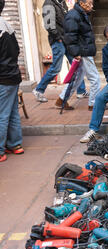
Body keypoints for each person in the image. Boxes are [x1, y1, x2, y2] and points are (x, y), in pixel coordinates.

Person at [32, 0, 88, 104]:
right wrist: (58, 38)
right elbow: (48, 24)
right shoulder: (49, 3)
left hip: (65, 40)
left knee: (77, 64)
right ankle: (38, 90)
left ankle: (81, 91)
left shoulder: (60, 3)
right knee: (56, 68)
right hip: (58, 41)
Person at [56, 0, 101, 111]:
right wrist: (76, 53)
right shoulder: (74, 15)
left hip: (83, 50)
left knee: (78, 78)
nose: (92, 6)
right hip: (83, 51)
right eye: (89, 3)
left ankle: (62, 99)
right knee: (95, 78)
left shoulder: (81, 14)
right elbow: (70, 36)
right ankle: (93, 104)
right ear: (81, 3)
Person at [0, 0, 24, 162]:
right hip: (13, 75)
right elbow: (17, 50)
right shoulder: (6, 25)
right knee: (12, 112)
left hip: (3, 77)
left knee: (2, 114)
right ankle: (15, 144)